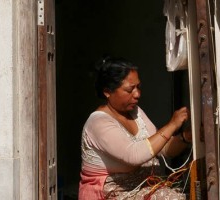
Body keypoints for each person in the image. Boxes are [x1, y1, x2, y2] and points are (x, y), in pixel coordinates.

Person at [78, 57, 192, 200]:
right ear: (107, 92)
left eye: (138, 87)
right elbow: (134, 155)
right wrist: (172, 125)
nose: (137, 94)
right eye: (130, 89)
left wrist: (186, 136)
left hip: (144, 190)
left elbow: (163, 148)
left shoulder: (135, 112)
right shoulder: (98, 122)